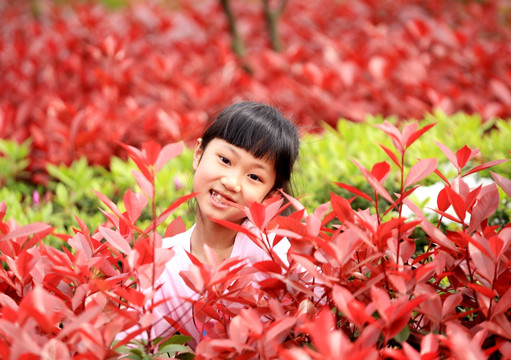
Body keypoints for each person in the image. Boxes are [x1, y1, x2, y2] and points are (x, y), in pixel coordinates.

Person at [146, 101, 300, 348]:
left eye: (254, 177)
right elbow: (135, 347)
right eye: (225, 160)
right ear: (198, 154)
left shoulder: (273, 253)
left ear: (270, 196)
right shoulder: (163, 263)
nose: (232, 182)